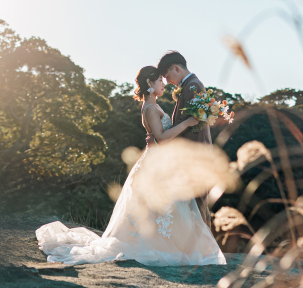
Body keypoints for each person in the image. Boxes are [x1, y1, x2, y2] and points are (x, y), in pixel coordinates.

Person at [35, 66, 226, 266]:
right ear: (150, 84)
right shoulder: (150, 108)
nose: (164, 84)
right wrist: (188, 123)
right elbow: (161, 137)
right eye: (160, 80)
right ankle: (158, 246)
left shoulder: (153, 106)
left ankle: (166, 244)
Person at [155, 51, 214, 230]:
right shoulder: (189, 85)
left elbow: (190, 124)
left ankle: (206, 250)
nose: (167, 81)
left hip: (195, 154)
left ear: (176, 68)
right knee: (194, 203)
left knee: (197, 203)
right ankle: (201, 248)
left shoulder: (192, 86)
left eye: (167, 76)